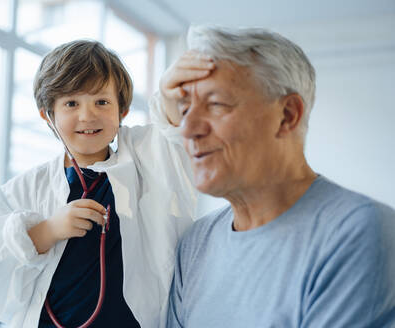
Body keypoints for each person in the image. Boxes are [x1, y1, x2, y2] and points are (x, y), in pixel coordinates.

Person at [161, 25, 395, 327]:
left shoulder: (358, 232)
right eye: (184, 109)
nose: (188, 128)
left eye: (216, 104)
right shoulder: (195, 244)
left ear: (287, 115)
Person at [0, 40, 198, 328]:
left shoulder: (143, 161)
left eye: (102, 102)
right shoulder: (23, 190)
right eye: (71, 103)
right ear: (48, 115)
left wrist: (173, 94)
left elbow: (172, 135)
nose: (87, 115)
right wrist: (47, 231)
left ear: (122, 111)